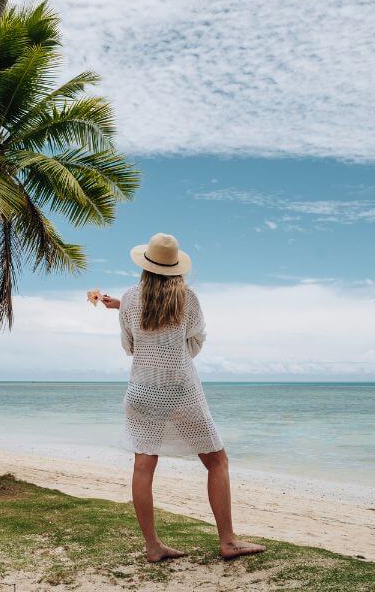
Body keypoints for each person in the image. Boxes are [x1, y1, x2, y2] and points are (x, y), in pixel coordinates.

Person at [100, 233, 266, 562]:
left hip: (141, 391)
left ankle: (152, 547)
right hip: (180, 391)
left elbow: (130, 345)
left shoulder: (129, 298)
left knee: (143, 466)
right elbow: (197, 340)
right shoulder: (188, 298)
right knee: (217, 462)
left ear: (145, 265)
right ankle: (227, 541)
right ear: (176, 267)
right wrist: (176, 351)